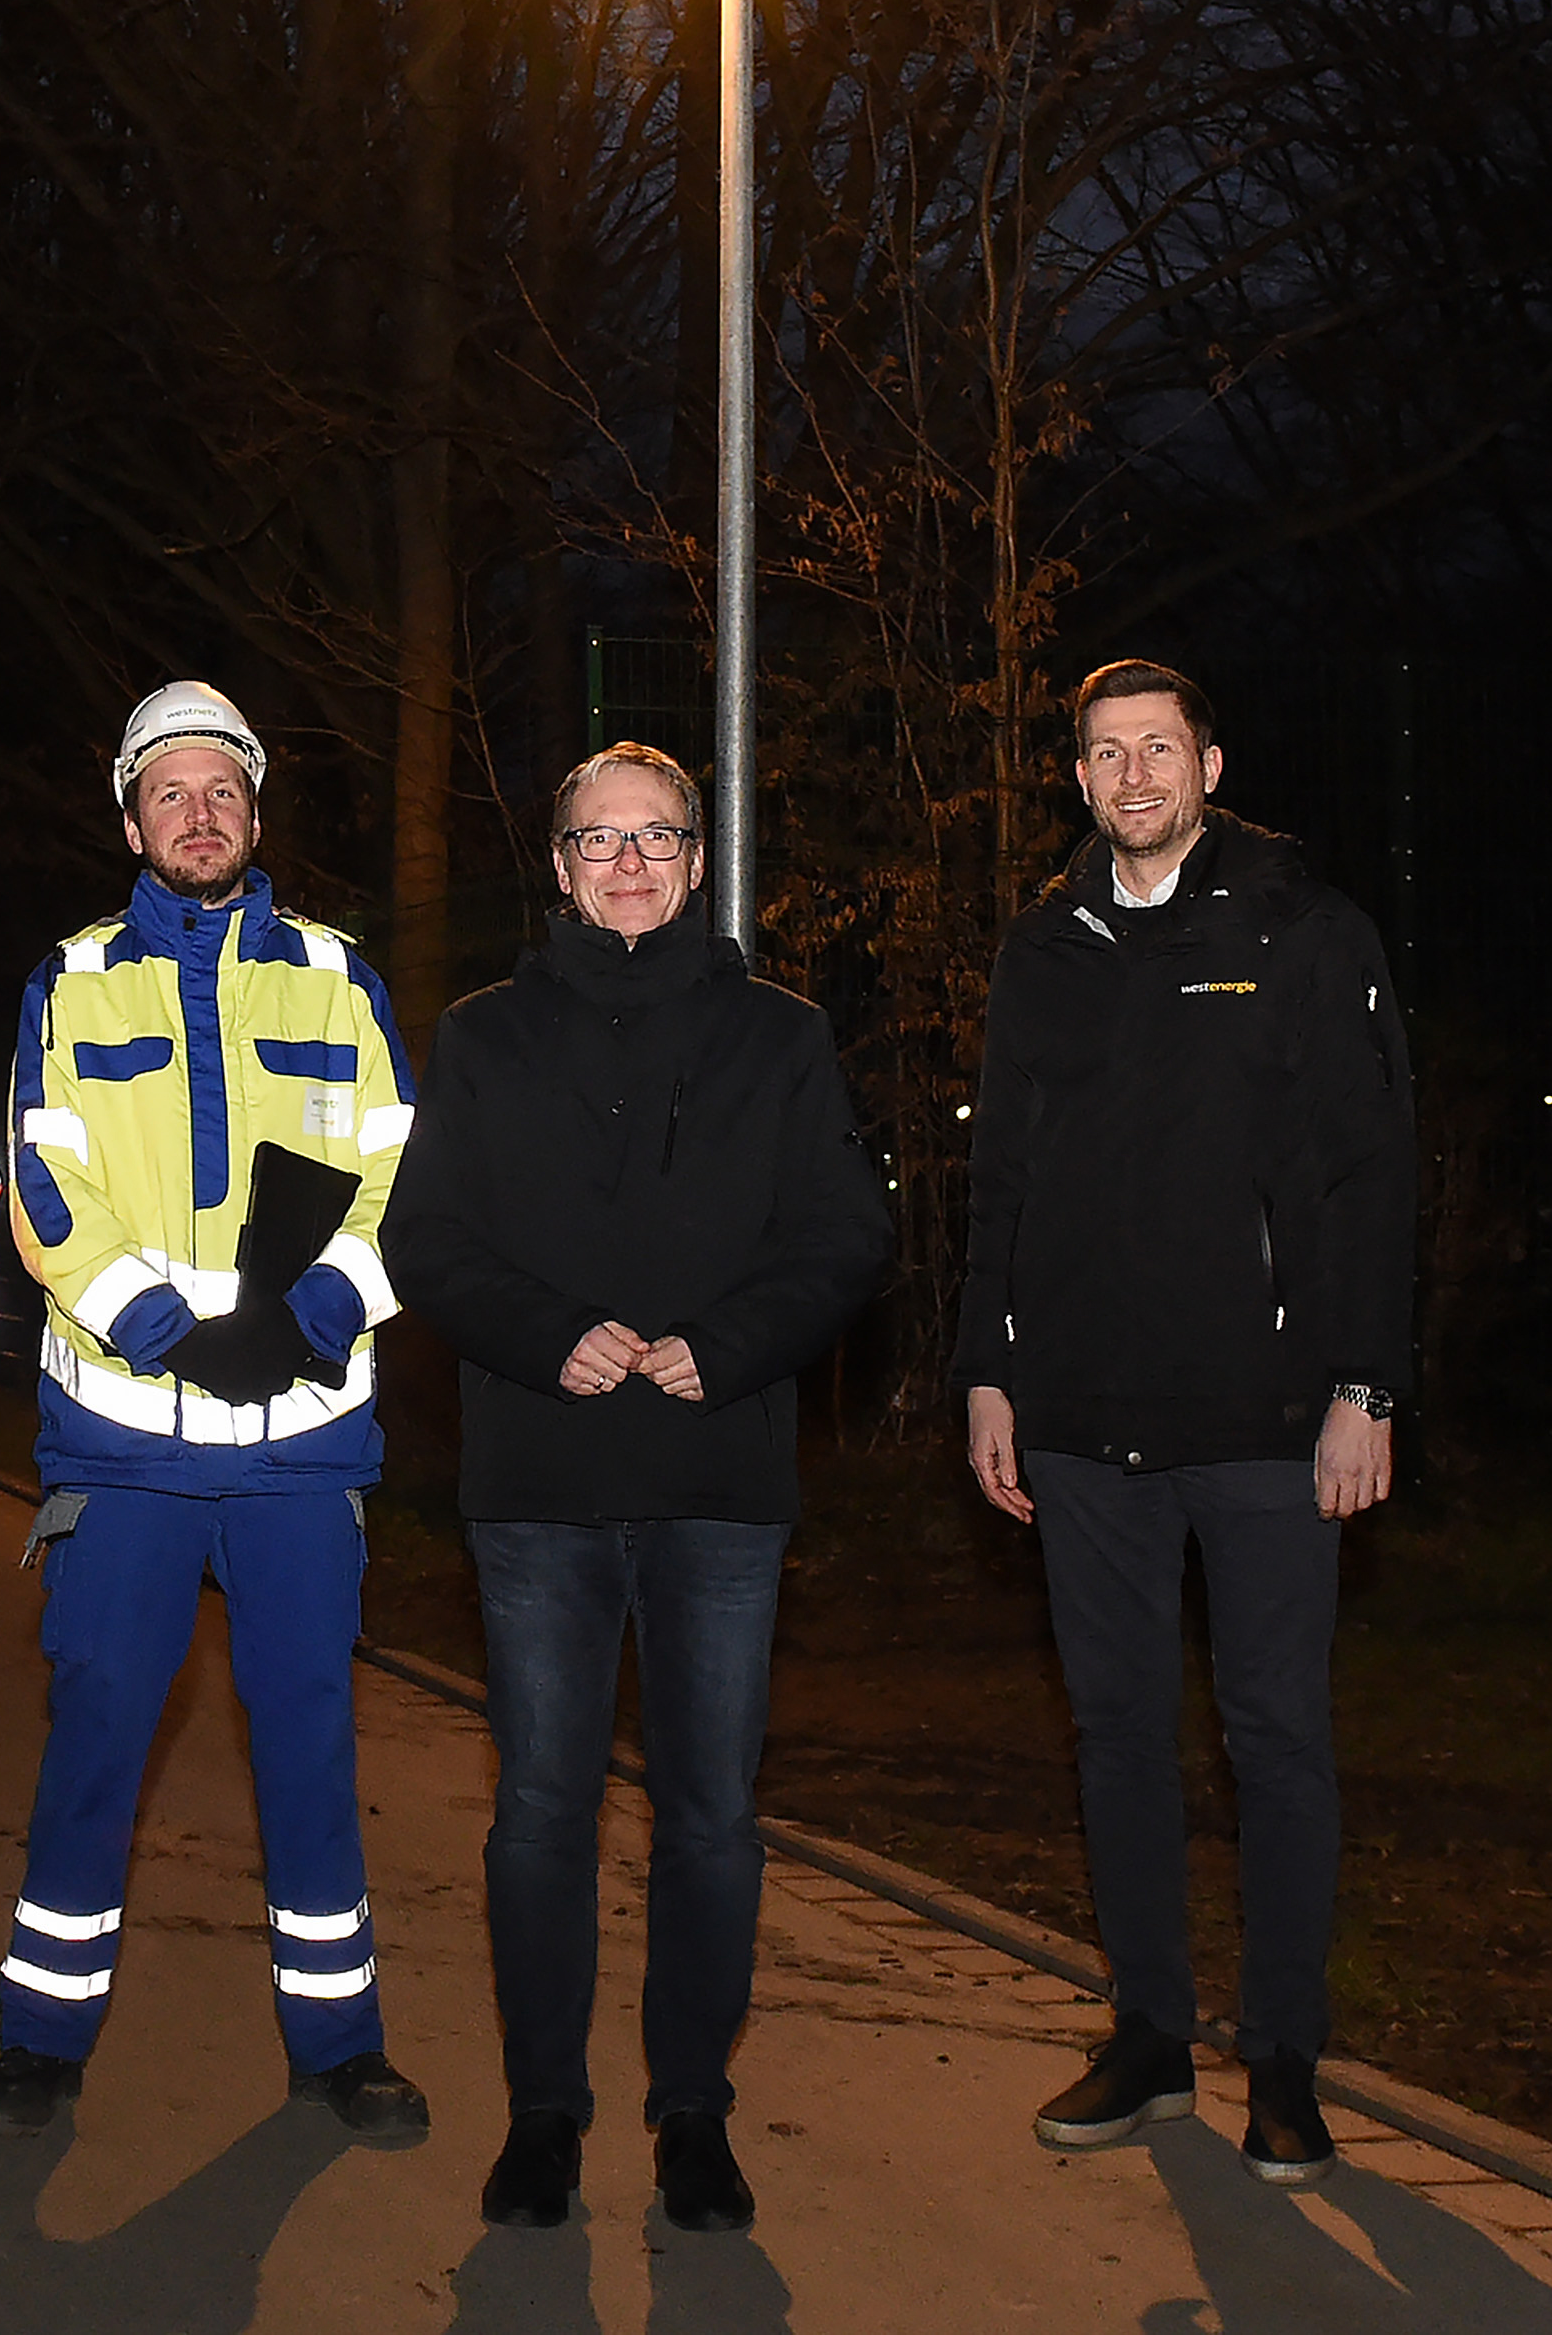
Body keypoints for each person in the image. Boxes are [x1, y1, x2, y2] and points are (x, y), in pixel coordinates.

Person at [380, 743, 891, 2235]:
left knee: (711, 1820)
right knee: (541, 1806)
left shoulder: (781, 1037)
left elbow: (845, 1238)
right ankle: (545, 2115)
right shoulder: (480, 1038)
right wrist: (553, 1339)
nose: (627, 864)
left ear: (697, 859)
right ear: (555, 865)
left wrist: (719, 1350)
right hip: (537, 1484)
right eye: (597, 841)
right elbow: (430, 1242)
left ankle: (693, 2116)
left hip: (718, 1485)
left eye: (657, 838)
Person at [954, 660, 1415, 2187]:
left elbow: (1370, 1177)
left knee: (1277, 1740)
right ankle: (1149, 2034)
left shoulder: (1303, 929)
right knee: (1119, 1740)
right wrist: (988, 1371)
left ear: (1210, 762)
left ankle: (1284, 2061)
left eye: (1161, 747)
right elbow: (1001, 1183)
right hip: (1083, 1425)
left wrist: (1366, 1385)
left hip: (1273, 1423)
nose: (1135, 774)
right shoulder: (1044, 946)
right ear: (1078, 782)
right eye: (1105, 753)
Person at [0, 681, 430, 2142]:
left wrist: (320, 1314)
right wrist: (164, 1332)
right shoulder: (73, 978)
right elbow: (41, 1190)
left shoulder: (340, 978)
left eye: (221, 786)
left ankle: (339, 2045)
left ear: (256, 813)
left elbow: (400, 1171)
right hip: (127, 1452)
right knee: (98, 1734)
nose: (199, 810)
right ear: (130, 819)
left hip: (300, 1452)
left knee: (307, 1739)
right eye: (169, 790)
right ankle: (40, 2041)